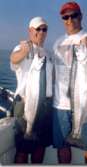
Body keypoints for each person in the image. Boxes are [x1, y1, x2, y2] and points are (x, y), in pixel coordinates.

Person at [52, 1, 87, 164]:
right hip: (60, 105)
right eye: (65, 17)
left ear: (80, 16)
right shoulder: (57, 42)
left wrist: (86, 49)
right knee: (62, 147)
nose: (69, 20)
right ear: (62, 19)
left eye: (73, 15)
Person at [10, 16, 52, 164]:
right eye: (38, 29)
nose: (41, 32)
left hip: (45, 105)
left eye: (44, 29)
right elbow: (14, 59)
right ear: (30, 30)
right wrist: (23, 52)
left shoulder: (47, 54)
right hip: (25, 103)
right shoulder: (22, 47)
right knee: (22, 149)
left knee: (40, 148)